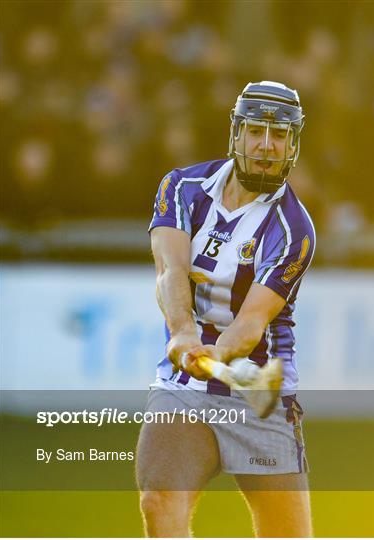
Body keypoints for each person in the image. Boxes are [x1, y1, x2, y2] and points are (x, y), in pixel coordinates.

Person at [136, 81, 315, 537]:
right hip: (183, 385)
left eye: (279, 136)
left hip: (257, 392)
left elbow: (252, 322)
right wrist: (181, 333)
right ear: (235, 134)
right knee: (160, 501)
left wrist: (216, 358)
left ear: (293, 144)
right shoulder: (180, 188)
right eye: (256, 131)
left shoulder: (294, 230)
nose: (266, 145)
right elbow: (170, 271)